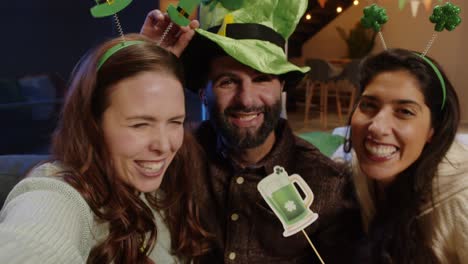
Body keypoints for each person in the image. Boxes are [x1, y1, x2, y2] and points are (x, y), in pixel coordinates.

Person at [141, 0, 361, 262]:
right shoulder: (171, 161)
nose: (246, 99)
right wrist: (143, 67)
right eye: (228, 81)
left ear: (281, 86)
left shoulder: (329, 185)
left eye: (261, 79)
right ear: (203, 93)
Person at [0, 34, 211, 263]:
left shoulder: (166, 180)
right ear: (92, 123)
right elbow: (33, 242)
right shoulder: (61, 192)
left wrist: (146, 61)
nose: (164, 145)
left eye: (175, 122)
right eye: (140, 124)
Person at [346, 48, 468, 263]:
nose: (377, 127)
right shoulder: (359, 169)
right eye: (368, 105)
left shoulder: (461, 199)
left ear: (433, 129)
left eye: (404, 111)